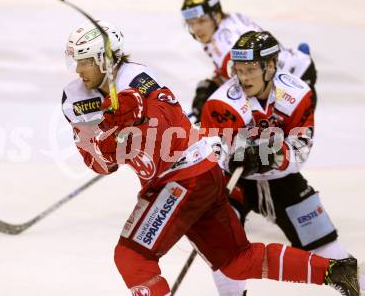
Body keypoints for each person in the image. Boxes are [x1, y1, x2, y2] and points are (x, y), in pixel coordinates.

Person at [61, 20, 359, 296]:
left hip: (182, 175)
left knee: (132, 255)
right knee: (236, 260)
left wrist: (135, 118)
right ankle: (335, 270)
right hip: (198, 176)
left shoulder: (138, 80)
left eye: (84, 61)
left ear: (103, 59)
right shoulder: (76, 97)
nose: (78, 70)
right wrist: (110, 133)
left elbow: (169, 129)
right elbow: (102, 163)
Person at [200, 30, 363, 296]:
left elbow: (300, 151)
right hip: (236, 182)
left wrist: (269, 155)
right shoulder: (220, 102)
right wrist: (229, 157)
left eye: (251, 69)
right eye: (238, 69)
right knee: (220, 246)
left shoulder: (298, 94)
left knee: (326, 246)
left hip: (281, 180)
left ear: (271, 66)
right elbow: (211, 152)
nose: (243, 77)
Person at [180, 0, 317, 123]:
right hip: (293, 67)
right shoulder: (227, 22)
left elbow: (243, 87)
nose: (196, 28)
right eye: (191, 23)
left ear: (216, 16)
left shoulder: (225, 43)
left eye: (201, 21)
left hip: (295, 83)